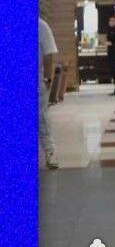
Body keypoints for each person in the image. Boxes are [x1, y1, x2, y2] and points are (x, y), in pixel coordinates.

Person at [39, 17, 59, 170]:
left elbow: (48, 55)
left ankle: (50, 151)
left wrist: (47, 77)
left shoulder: (41, 26)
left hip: (36, 79)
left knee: (41, 117)